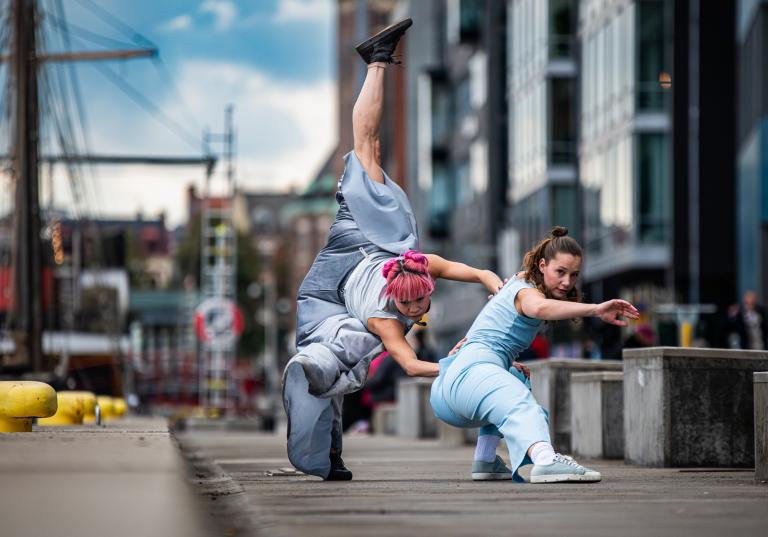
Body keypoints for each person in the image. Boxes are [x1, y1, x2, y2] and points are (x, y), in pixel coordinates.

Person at [282, 18, 504, 481]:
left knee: (372, 149)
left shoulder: (419, 266)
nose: (415, 307)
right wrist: (459, 365)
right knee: (366, 147)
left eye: (419, 301)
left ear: (423, 284)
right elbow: (406, 362)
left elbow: (459, 268)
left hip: (354, 268)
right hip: (351, 257)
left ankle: (326, 450)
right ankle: (378, 59)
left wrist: (488, 279)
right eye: (410, 303)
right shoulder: (388, 318)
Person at [430, 227, 640, 483]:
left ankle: (485, 459)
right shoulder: (526, 290)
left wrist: (504, 364)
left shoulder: (519, 281)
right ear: (542, 265)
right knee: (521, 401)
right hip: (467, 377)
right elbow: (538, 307)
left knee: (517, 378)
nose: (567, 282)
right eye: (560, 272)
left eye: (574, 275)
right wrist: (596, 309)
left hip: (448, 390)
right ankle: (545, 459)